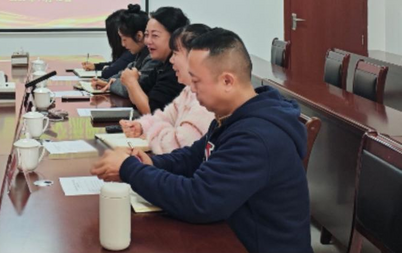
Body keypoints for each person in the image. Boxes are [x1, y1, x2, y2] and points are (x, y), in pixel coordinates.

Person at [91, 28, 312, 253]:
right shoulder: (231, 116)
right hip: (230, 234)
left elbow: (198, 200)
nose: (192, 89)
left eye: (196, 81)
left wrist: (129, 169)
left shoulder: (256, 137)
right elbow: (193, 156)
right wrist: (152, 163)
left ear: (227, 81)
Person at [120, 24, 215, 154]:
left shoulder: (205, 101)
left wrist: (151, 133)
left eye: (175, 54)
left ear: (194, 57)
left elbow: (175, 145)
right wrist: (142, 127)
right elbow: (166, 116)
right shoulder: (189, 90)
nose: (171, 60)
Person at [121, 7, 189, 114]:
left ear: (175, 37)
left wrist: (132, 82)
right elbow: (138, 98)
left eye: (155, 35)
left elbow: (152, 112)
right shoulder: (161, 65)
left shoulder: (176, 70)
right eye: (146, 35)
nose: (148, 41)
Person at [91, 4, 155, 98]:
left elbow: (129, 89)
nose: (123, 44)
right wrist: (107, 81)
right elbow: (123, 74)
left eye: (124, 39)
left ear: (139, 36)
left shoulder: (152, 58)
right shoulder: (141, 54)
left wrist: (110, 84)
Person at [81, 10, 134, 79]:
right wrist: (96, 66)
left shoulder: (131, 52)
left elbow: (108, 73)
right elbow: (115, 64)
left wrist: (106, 69)